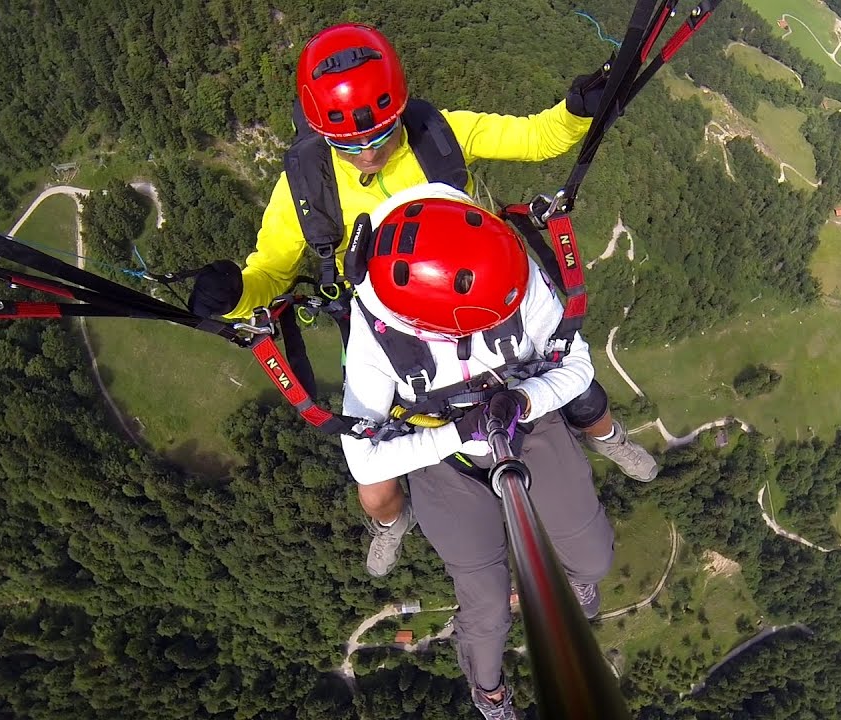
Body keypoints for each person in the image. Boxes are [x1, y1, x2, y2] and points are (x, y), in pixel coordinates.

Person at [189, 23, 655, 579]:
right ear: (320, 132)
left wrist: (577, 111)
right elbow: (271, 273)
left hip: (475, 295)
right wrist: (236, 297)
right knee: (372, 477)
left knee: (578, 388)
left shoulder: (439, 135)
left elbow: (536, 138)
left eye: (380, 135)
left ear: (399, 112)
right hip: (388, 328)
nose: (368, 154)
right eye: (348, 145)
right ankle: (390, 522)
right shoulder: (305, 190)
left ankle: (609, 438)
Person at [341, 183, 614, 719]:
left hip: (524, 422)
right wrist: (454, 435)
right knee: (487, 608)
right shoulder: (375, 324)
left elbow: (576, 364)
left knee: (594, 557)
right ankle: (488, 692)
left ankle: (579, 581)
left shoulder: (505, 265)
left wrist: (525, 399)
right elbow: (364, 459)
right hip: (444, 459)